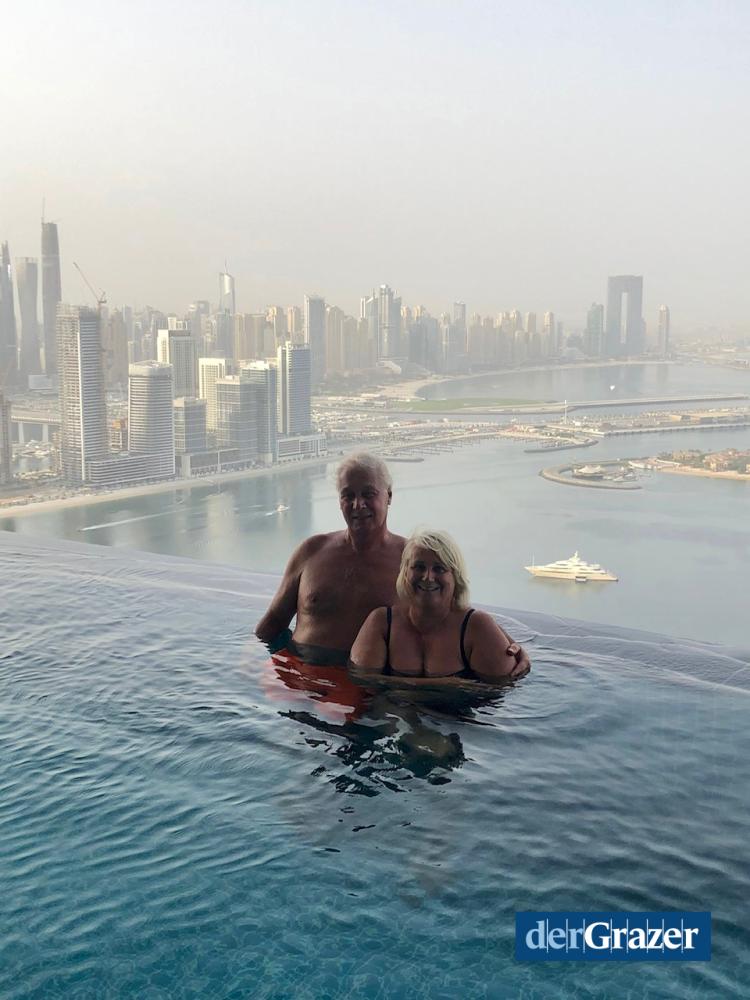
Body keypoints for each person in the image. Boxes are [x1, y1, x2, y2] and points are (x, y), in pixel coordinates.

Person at [255, 453, 406, 665]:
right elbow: (273, 622)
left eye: (368, 494)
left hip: (368, 682)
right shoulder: (311, 552)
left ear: (388, 496)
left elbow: (439, 632)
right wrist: (250, 661)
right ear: (340, 501)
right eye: (348, 495)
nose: (358, 504)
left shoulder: (412, 562)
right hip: (299, 675)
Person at [349, 529, 529, 683]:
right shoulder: (382, 623)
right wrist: (452, 686)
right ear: (404, 573)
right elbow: (362, 682)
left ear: (455, 577)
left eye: (439, 569)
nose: (428, 577)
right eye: (419, 567)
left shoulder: (476, 627)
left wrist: (401, 687)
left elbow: (503, 688)